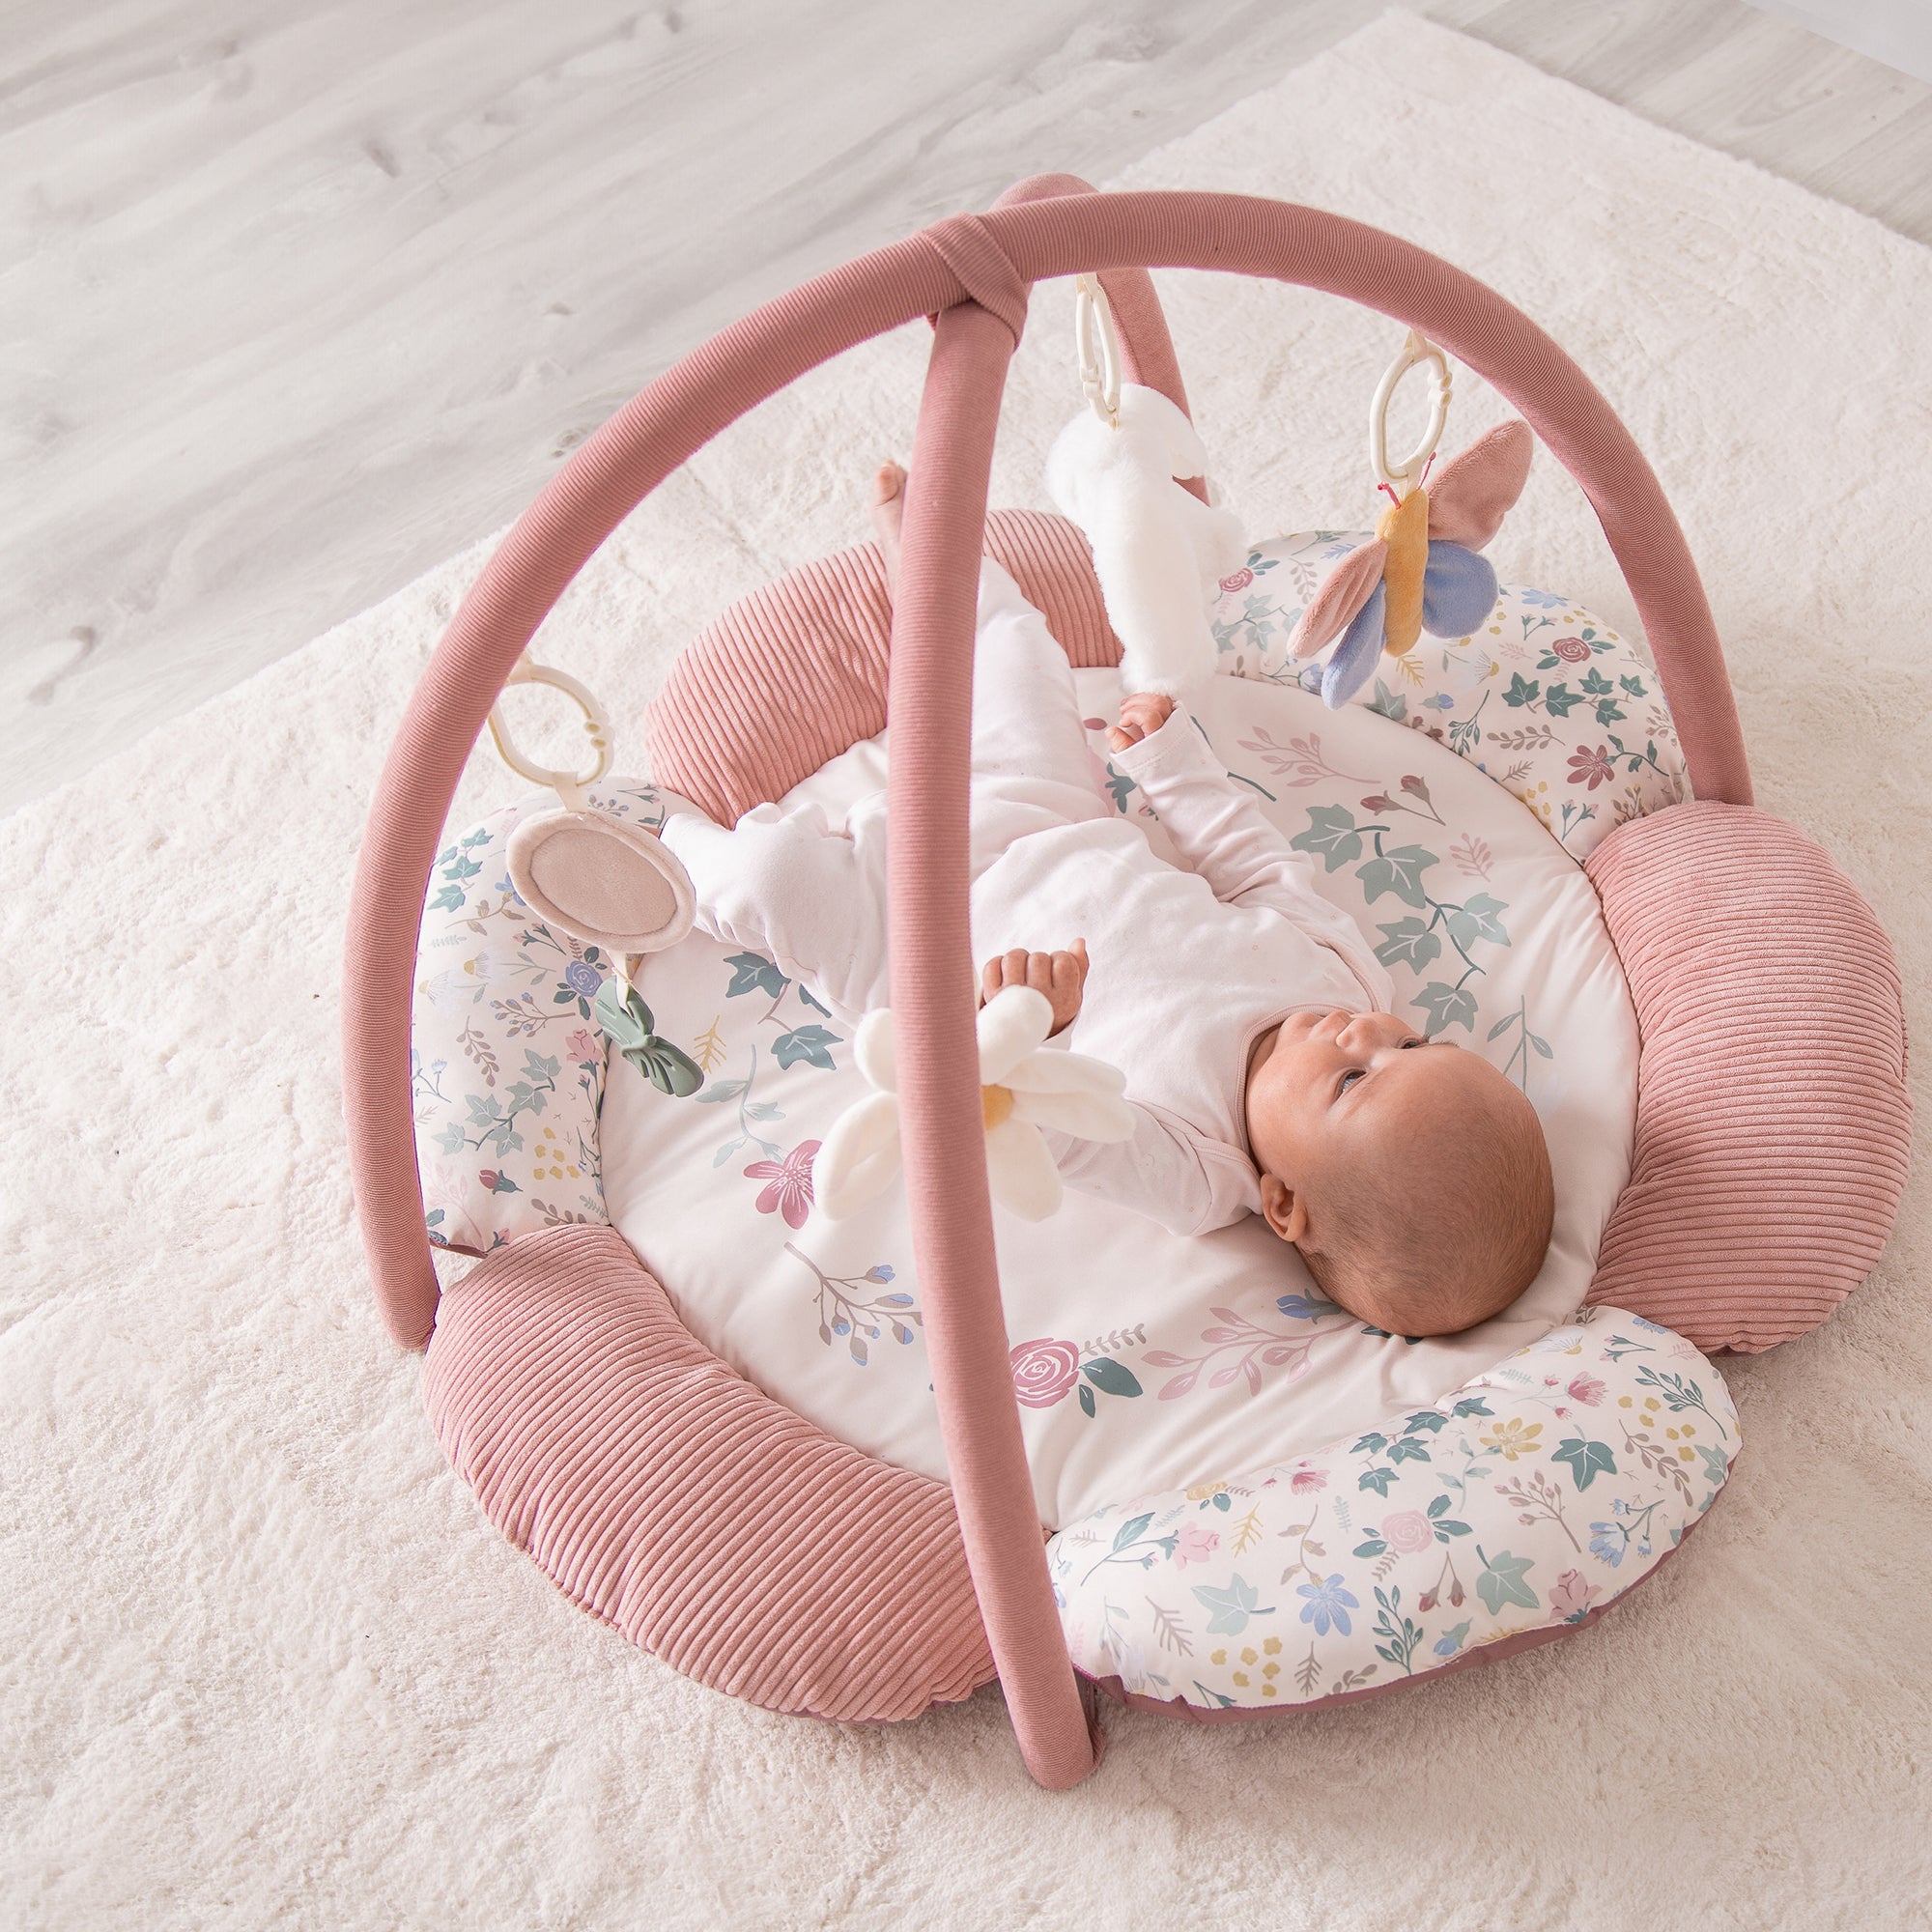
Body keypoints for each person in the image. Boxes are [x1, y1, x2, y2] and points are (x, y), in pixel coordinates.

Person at [656, 465, 1553, 1337]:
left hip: (906, 943)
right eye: (1413, 1041)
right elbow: (1250, 863)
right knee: (1020, 657)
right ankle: (932, 555)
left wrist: (1029, 1032)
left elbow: (1058, 1133)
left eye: (1354, 1080)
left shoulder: (1196, 1168)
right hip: (1045, 812)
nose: (1365, 1034)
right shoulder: (1343, 977)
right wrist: (1173, 765)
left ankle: (659, 850)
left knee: (769, 880)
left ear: (1283, 1201)